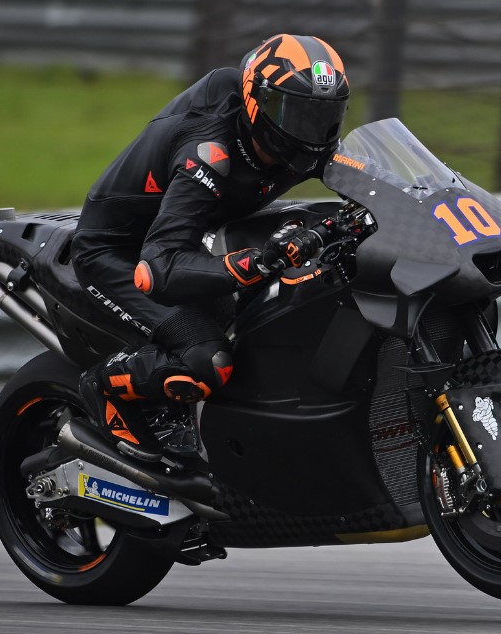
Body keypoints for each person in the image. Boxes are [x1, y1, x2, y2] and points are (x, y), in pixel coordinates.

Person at [71, 34, 350, 462]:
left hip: (195, 238)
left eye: (323, 118)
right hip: (121, 252)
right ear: (258, 102)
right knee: (208, 360)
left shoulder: (308, 144)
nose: (312, 133)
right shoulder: (209, 152)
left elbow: (370, 176)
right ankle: (102, 385)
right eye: (297, 115)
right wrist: (253, 263)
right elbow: (158, 268)